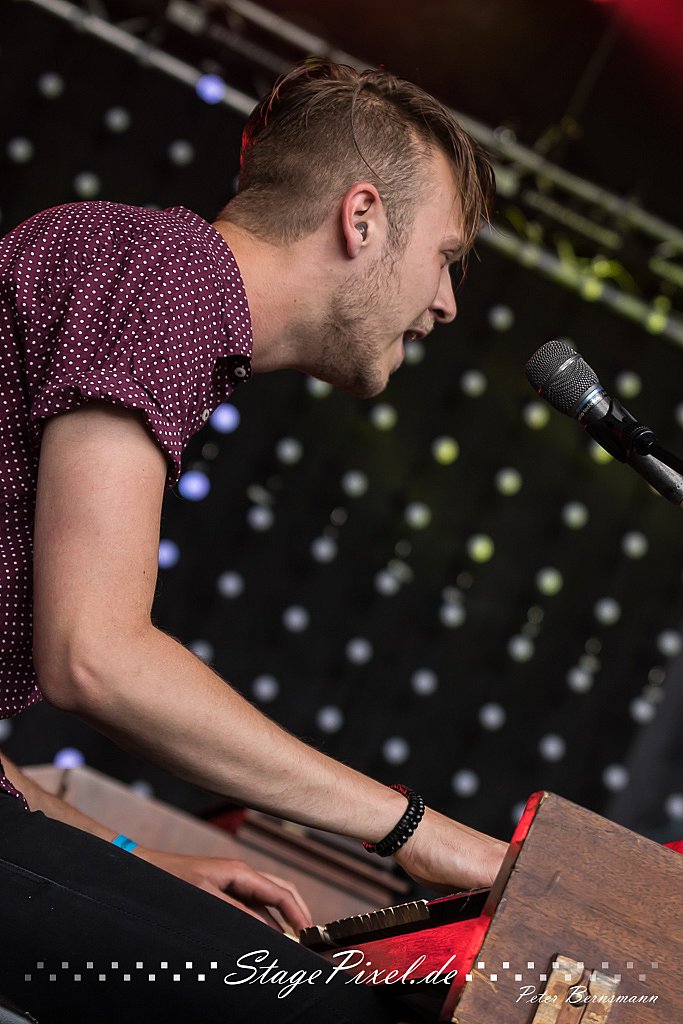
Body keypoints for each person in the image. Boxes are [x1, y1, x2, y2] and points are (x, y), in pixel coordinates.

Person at [0, 59, 506, 1023]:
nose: (444, 303)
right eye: (445, 256)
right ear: (362, 219)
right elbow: (93, 657)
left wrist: (134, 860)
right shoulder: (167, 277)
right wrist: (414, 830)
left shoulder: (153, 281)